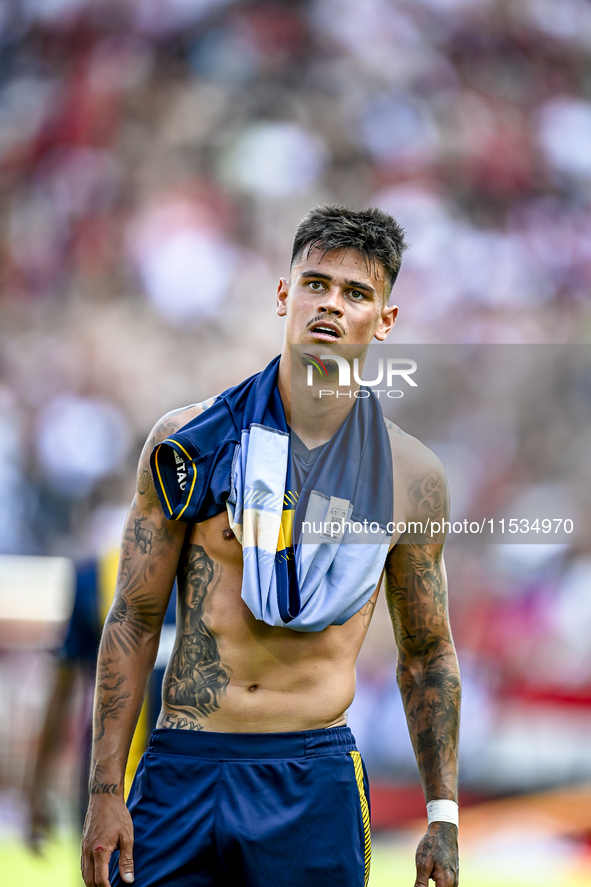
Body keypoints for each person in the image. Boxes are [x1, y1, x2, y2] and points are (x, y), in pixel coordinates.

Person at [81, 205, 461, 887]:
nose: (330, 304)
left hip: (311, 773)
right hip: (183, 764)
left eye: (356, 293)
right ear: (283, 294)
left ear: (385, 320)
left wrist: (443, 813)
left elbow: (426, 652)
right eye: (315, 283)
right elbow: (133, 617)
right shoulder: (192, 442)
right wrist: (104, 790)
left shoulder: (411, 478)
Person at [26, 549, 175, 852]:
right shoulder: (97, 575)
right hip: (111, 776)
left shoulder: (221, 567)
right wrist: (37, 786)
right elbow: (63, 686)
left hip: (189, 772)